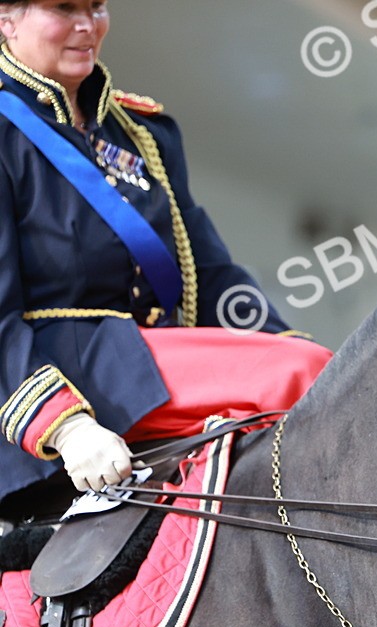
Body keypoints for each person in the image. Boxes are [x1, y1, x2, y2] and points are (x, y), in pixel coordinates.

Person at [0, 0, 333, 518]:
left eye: (97, 6)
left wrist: (278, 341)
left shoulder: (140, 131)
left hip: (147, 360)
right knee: (301, 376)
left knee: (325, 375)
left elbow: (209, 272)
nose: (88, 25)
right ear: (6, 19)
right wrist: (65, 426)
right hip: (60, 383)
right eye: (64, 8)